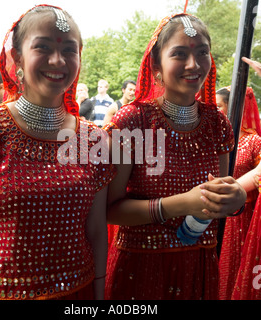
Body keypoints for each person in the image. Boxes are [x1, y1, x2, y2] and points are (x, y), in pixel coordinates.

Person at [0, 4, 115, 301]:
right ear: (16, 58)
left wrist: (98, 296)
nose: (58, 60)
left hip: (76, 294)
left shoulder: (94, 139)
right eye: (42, 47)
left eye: (69, 50)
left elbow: (96, 232)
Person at [104, 13, 246, 300]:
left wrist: (236, 200)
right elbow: (109, 210)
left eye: (202, 52)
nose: (194, 64)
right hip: (141, 266)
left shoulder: (217, 123)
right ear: (156, 66)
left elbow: (217, 197)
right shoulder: (132, 121)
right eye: (180, 54)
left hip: (199, 263)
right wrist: (180, 204)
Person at [216, 86, 261, 300]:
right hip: (211, 211)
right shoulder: (213, 139)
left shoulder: (254, 142)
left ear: (234, 109)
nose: (216, 112)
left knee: (233, 267)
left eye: (219, 106)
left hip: (240, 217)